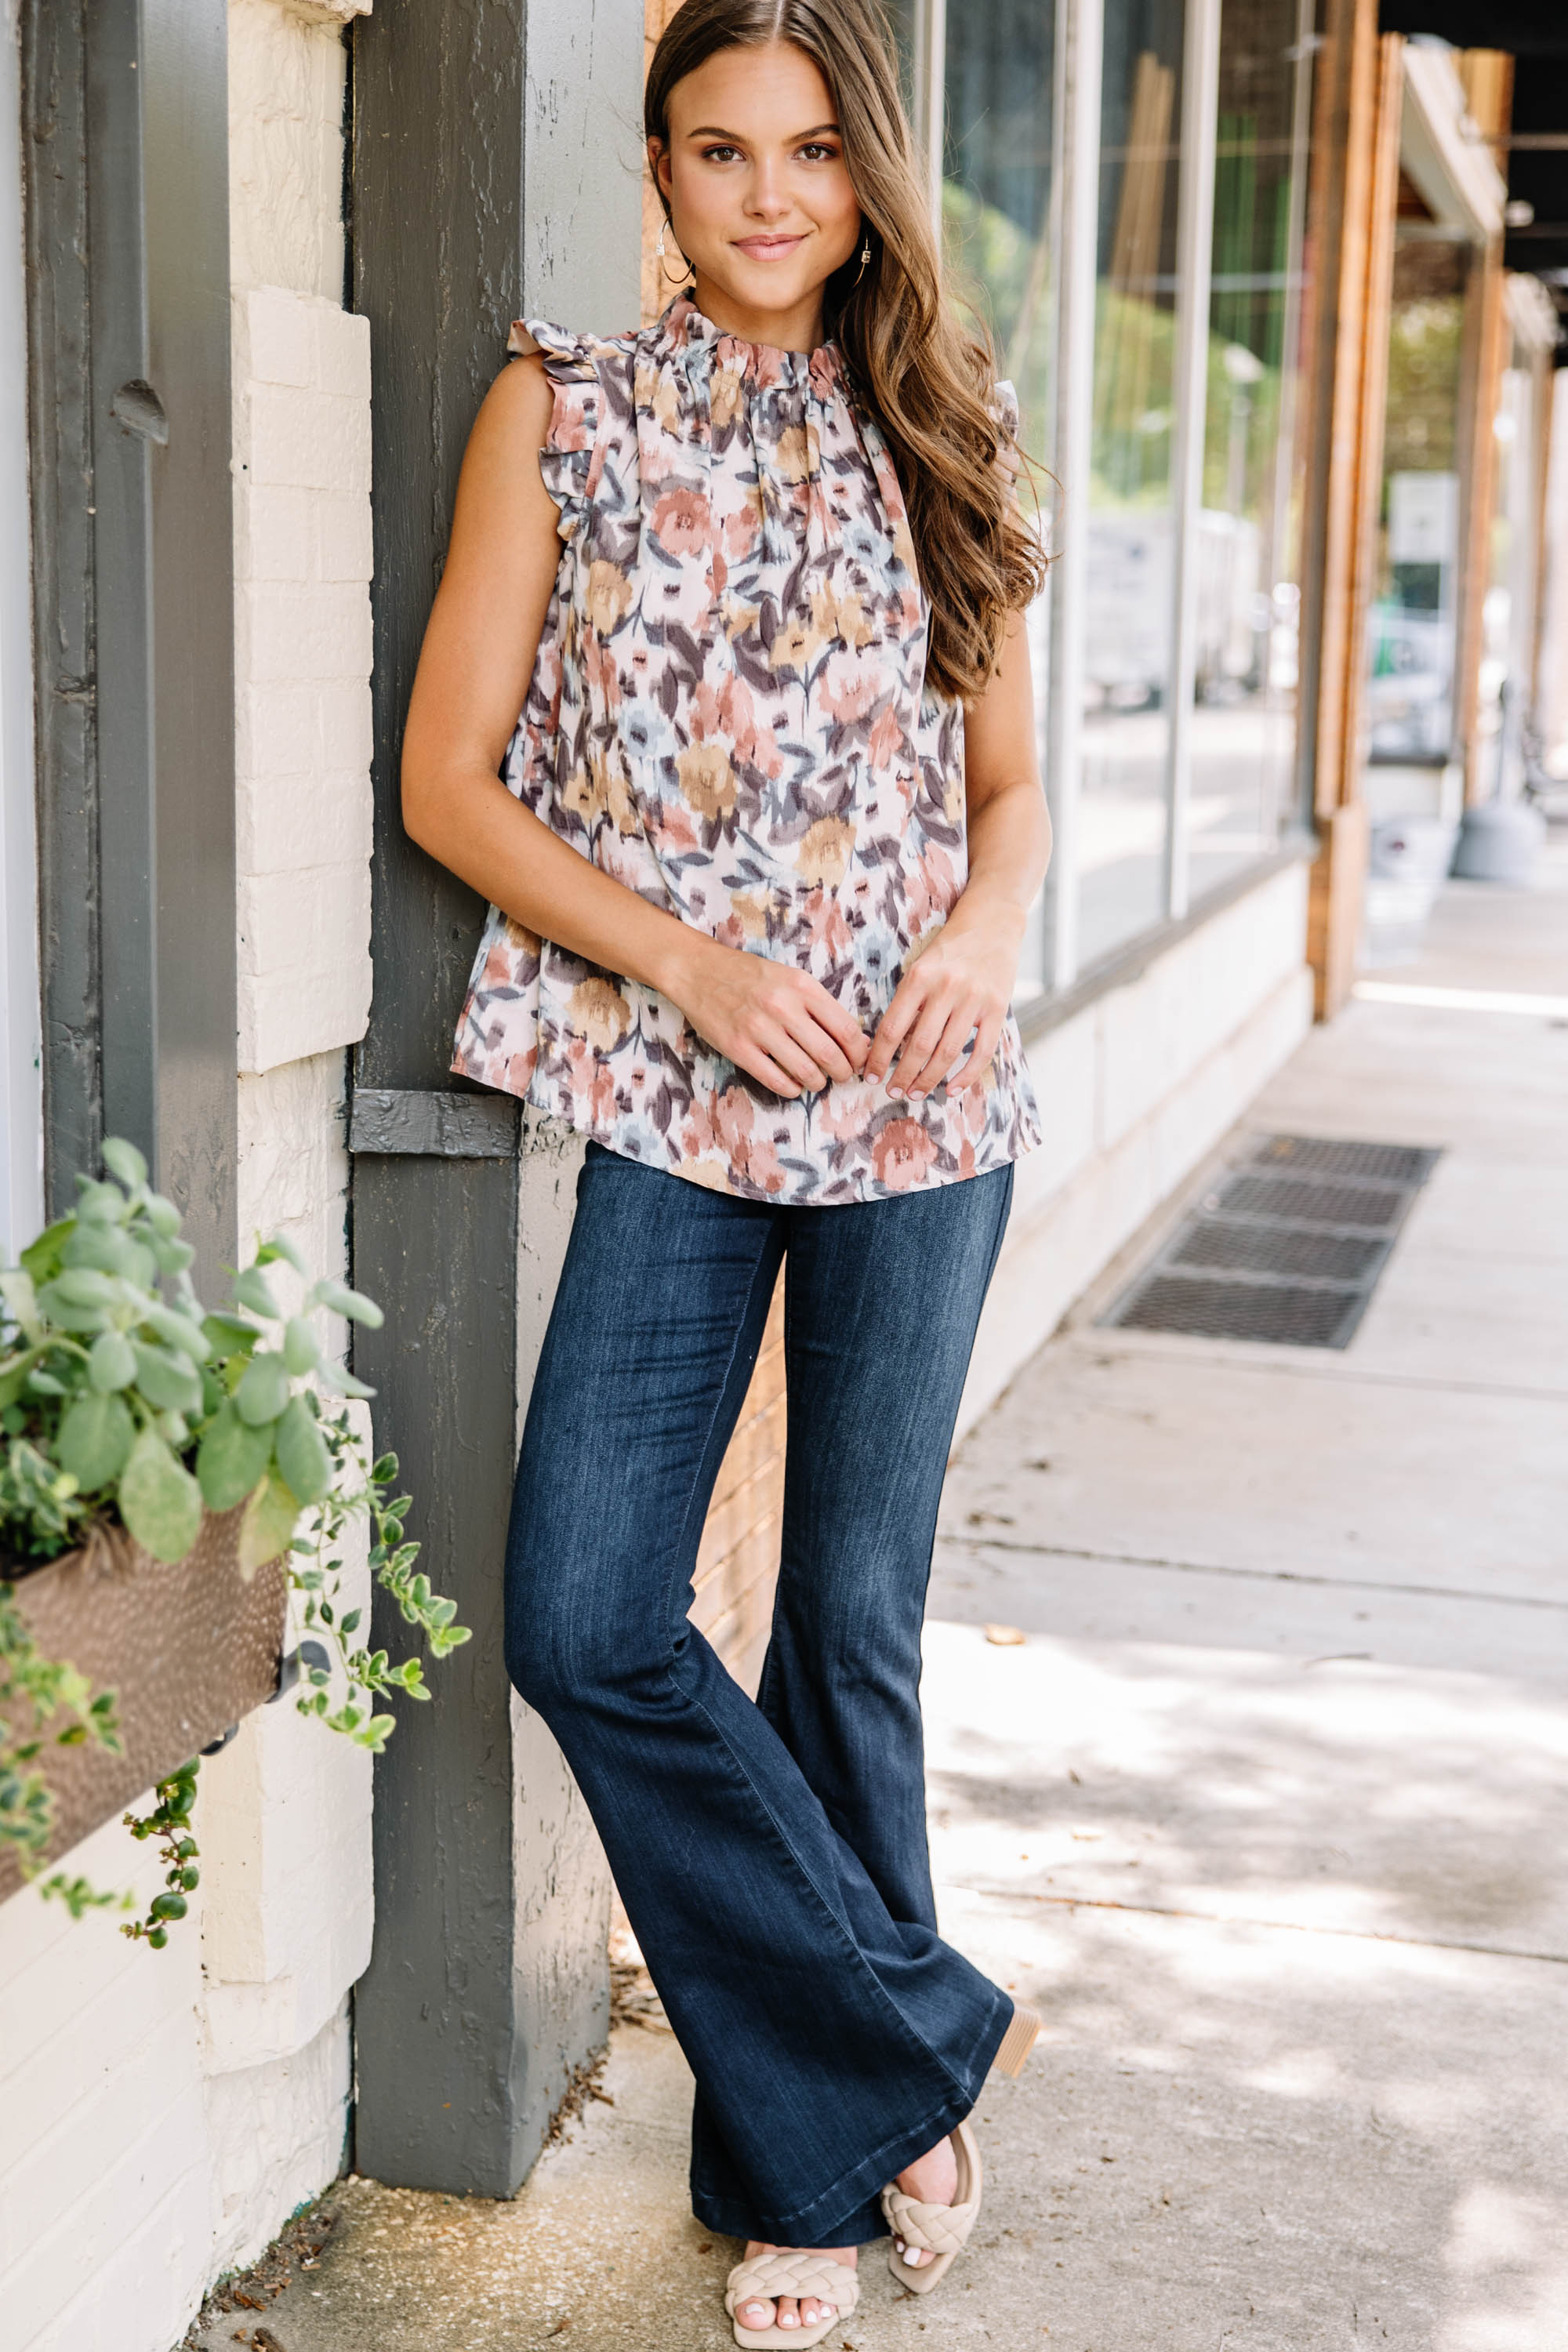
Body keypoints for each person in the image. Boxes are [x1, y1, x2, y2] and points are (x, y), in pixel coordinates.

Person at [401, 0, 1052, 2339]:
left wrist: (984, 932)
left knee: (847, 1632)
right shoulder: (561, 406)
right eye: (716, 151)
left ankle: (797, 2181)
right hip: (686, 1101)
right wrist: (683, 960)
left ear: (867, 175)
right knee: (587, 1610)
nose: (767, 196)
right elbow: (452, 785)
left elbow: (1012, 803)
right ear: (658, 173)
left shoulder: (948, 424)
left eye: (807, 152)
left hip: (922, 1109)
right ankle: (911, 2053)